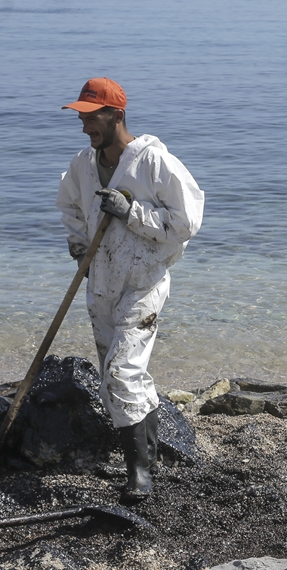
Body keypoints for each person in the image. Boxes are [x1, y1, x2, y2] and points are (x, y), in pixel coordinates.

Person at [57, 77, 204, 500]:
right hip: (100, 281)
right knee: (113, 375)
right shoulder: (83, 164)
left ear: (116, 114)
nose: (86, 127)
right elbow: (68, 205)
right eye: (82, 118)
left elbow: (186, 223)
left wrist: (132, 212)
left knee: (122, 372)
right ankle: (148, 455)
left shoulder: (154, 162)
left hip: (143, 282)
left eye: (92, 118)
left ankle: (139, 475)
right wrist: (78, 243)